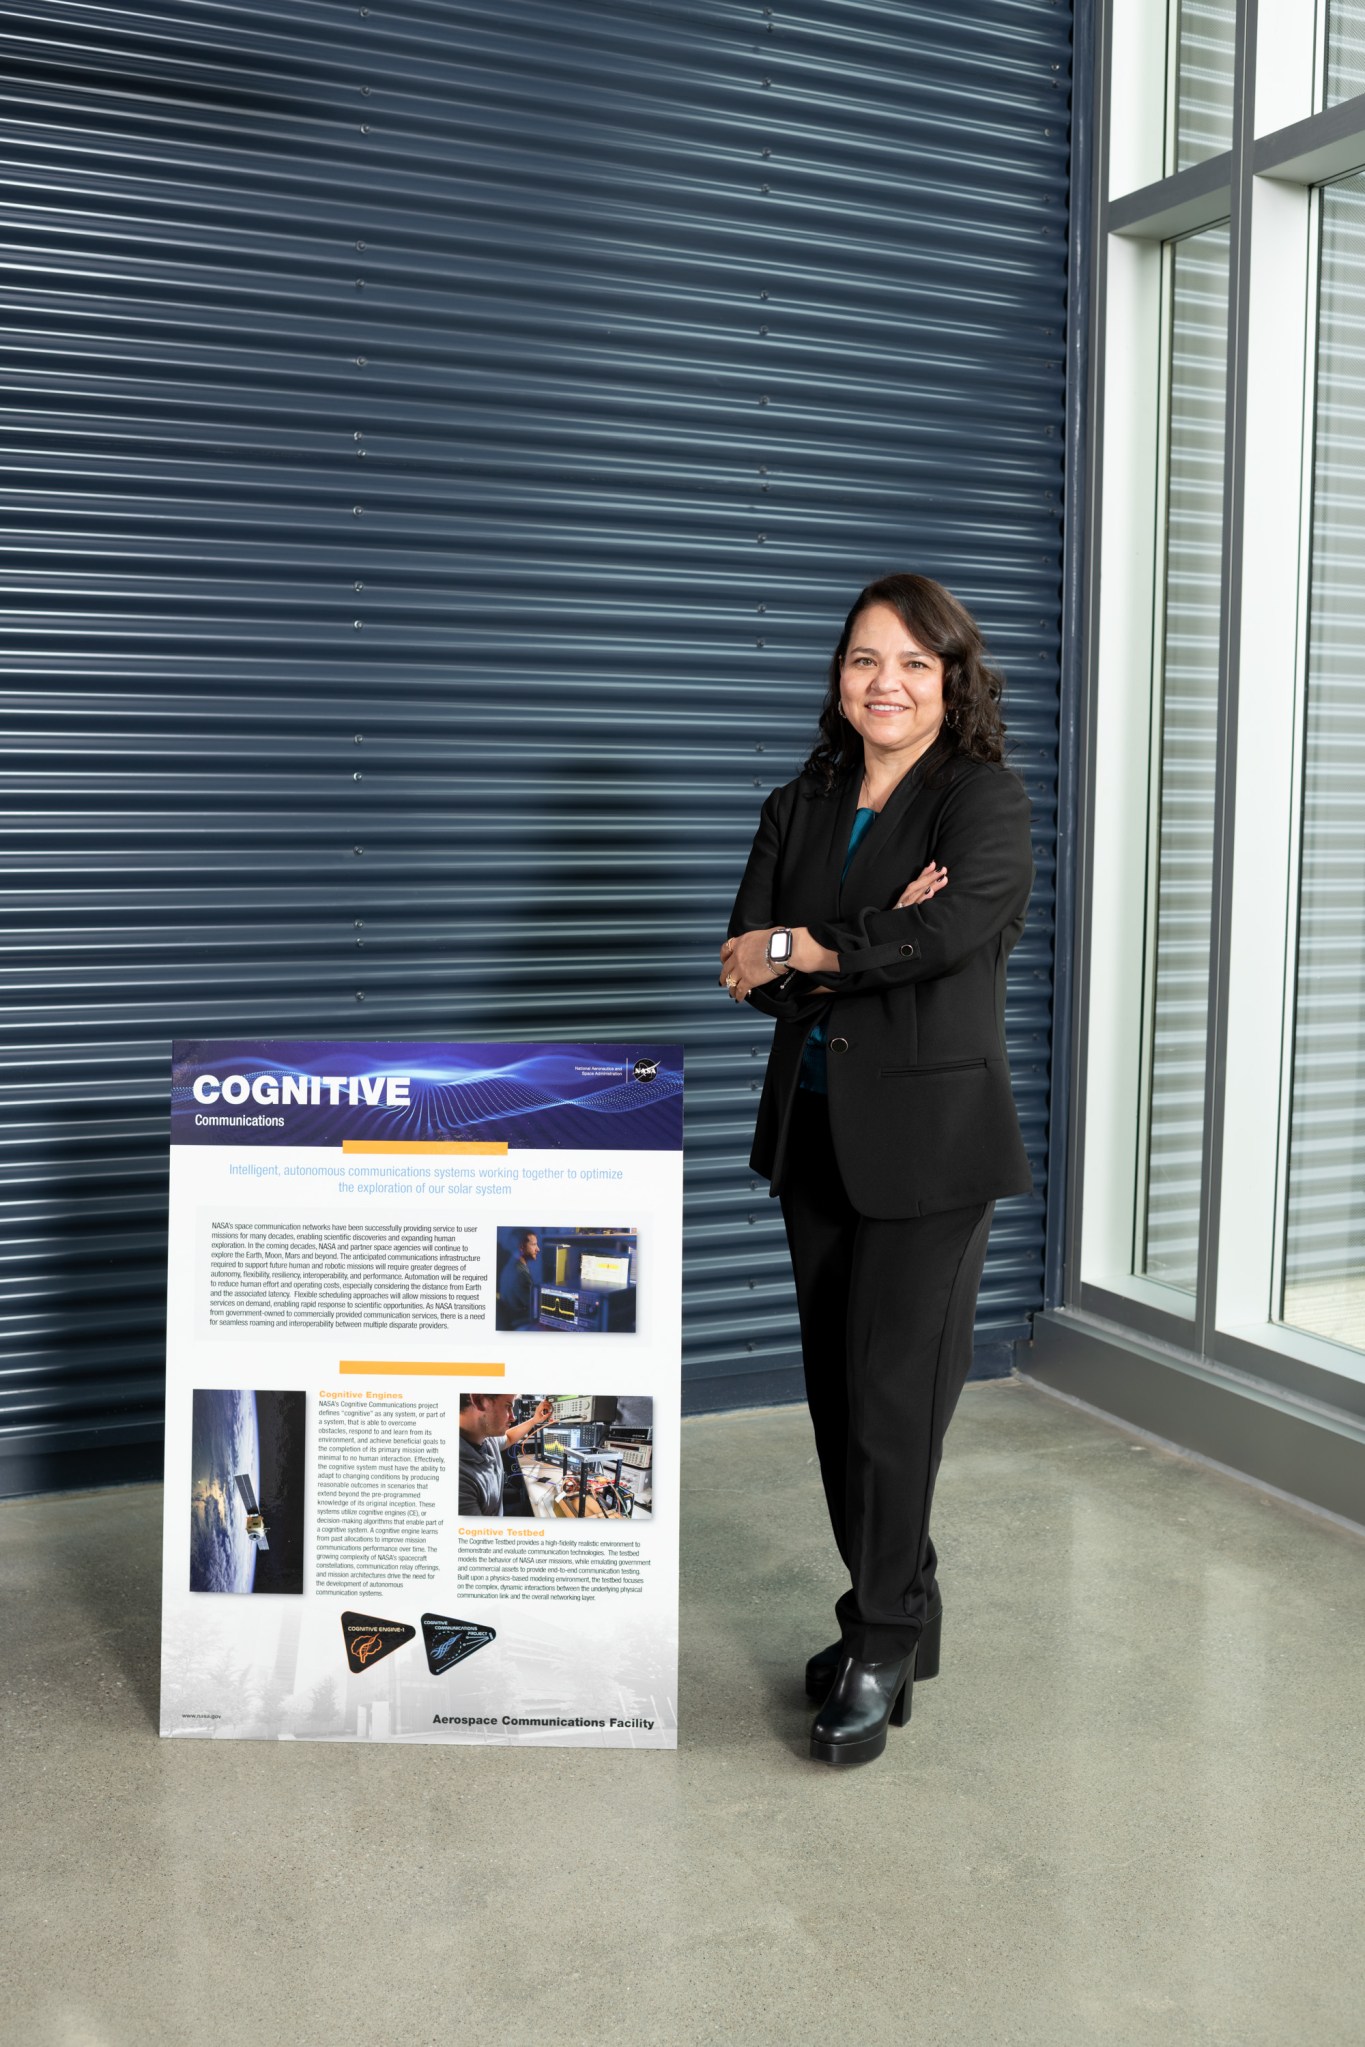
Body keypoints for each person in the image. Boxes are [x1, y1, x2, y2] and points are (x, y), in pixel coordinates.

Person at [720, 572, 1033, 1769]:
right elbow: (747, 965)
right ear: (839, 678)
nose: (883, 683)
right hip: (813, 1136)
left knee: (896, 1405)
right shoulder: (802, 800)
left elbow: (950, 934)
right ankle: (906, 1610)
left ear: (949, 678)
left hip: (934, 1149)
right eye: (862, 660)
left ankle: (883, 1634)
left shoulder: (982, 801)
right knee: (842, 1404)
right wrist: (853, 940)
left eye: (910, 662)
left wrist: (815, 939)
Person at [458, 1393, 555, 1515]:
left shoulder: (486, 1437)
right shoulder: (460, 1482)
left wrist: (535, 1420)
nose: (513, 1417)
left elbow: (508, 1437)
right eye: (508, 1406)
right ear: (479, 1401)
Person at [496, 1231, 540, 1329]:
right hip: (520, 1324)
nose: (538, 1249)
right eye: (533, 1245)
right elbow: (535, 1309)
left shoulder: (510, 1266)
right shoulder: (520, 1274)